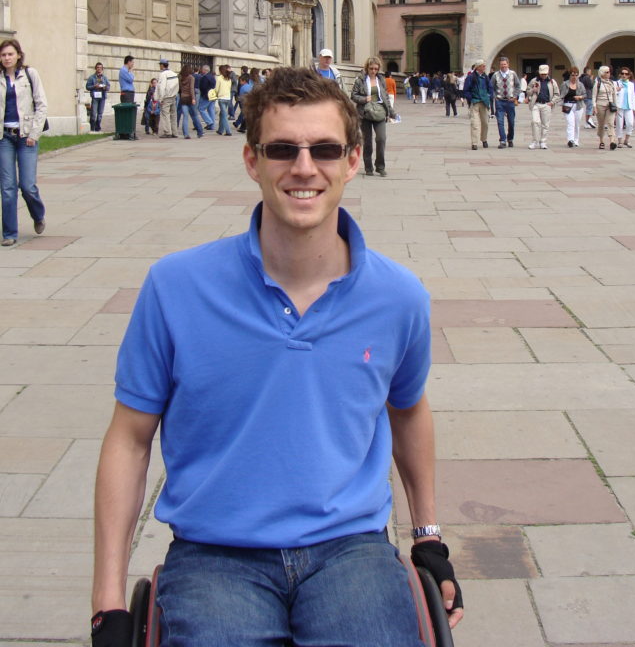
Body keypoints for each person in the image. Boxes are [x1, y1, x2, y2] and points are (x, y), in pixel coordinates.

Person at [91, 67, 462, 646]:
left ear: (353, 160)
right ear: (251, 160)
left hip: (350, 548)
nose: (305, 167)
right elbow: (130, 437)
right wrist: (108, 600)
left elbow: (409, 409)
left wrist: (429, 535)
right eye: (283, 149)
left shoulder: (399, 296)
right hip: (216, 552)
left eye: (325, 150)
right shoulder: (175, 286)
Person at [0, 38, 47, 246]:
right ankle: (9, 233)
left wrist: (34, 134)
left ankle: (38, 215)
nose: (7, 58)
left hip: (26, 136)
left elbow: (41, 104)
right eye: (3, 55)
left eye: (10, 54)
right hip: (4, 137)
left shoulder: (30, 74)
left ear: (18, 55)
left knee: (27, 186)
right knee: (7, 187)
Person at [351, 56, 396, 176]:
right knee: (367, 142)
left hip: (379, 112)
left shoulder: (381, 80)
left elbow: (385, 97)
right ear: (367, 68)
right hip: (365, 113)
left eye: (376, 69)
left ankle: (380, 166)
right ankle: (368, 167)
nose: (373, 71)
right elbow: (353, 96)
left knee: (381, 139)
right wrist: (365, 99)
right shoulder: (360, 79)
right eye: (371, 68)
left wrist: (391, 112)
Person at [526, 64, 559, 150]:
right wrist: (533, 90)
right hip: (536, 103)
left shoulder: (552, 82)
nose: (543, 76)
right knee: (535, 122)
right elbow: (527, 91)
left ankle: (543, 141)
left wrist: (552, 102)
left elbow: (557, 94)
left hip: (546, 104)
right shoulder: (534, 81)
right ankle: (534, 141)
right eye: (542, 74)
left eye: (545, 74)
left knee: (545, 124)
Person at [490, 56, 520, 147]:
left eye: (505, 64)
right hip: (500, 101)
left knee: (511, 122)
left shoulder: (513, 74)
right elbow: (491, 87)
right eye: (501, 64)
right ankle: (502, 140)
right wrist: (495, 96)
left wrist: (515, 96)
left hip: (510, 101)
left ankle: (510, 138)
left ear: (508, 64)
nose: (503, 66)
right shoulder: (495, 75)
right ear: (499, 65)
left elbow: (518, 86)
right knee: (500, 121)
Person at [464, 59, 492, 150]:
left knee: (485, 123)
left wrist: (489, 96)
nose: (484, 67)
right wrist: (471, 98)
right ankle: (474, 143)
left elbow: (490, 88)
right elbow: (466, 90)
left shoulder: (486, 77)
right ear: (478, 67)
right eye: (483, 66)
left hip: (484, 102)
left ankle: (484, 139)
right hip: (475, 102)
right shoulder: (471, 77)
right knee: (475, 123)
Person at [560, 68, 587, 147]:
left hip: (578, 106)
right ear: (570, 75)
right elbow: (561, 95)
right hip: (568, 105)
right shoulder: (565, 84)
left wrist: (580, 97)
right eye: (572, 75)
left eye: (576, 75)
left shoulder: (580, 84)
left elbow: (585, 95)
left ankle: (576, 140)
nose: (574, 77)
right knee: (570, 123)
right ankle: (570, 140)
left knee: (577, 124)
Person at [593, 65, 618, 150]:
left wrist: (616, 105)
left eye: (609, 72)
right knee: (601, 124)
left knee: (611, 123)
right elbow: (594, 96)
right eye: (607, 72)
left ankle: (612, 141)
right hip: (600, 104)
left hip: (610, 105)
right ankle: (601, 141)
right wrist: (594, 106)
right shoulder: (598, 83)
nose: (609, 73)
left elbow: (614, 95)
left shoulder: (612, 82)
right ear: (602, 73)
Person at [155, 59, 179, 138]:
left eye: (160, 65)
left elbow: (162, 87)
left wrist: (161, 98)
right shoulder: (174, 74)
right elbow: (177, 86)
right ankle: (174, 132)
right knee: (173, 115)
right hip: (173, 96)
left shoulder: (163, 74)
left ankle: (167, 132)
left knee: (165, 115)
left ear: (162, 65)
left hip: (166, 97)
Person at [178, 64, 204, 139]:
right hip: (190, 98)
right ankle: (200, 132)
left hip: (183, 98)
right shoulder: (191, 77)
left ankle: (186, 134)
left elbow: (180, 88)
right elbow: (191, 89)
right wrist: (193, 98)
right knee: (194, 115)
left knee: (185, 116)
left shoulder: (180, 78)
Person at [614, 67, 635, 148]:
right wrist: (616, 90)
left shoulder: (631, 84)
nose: (624, 75)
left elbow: (633, 96)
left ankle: (627, 140)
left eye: (626, 74)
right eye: (622, 73)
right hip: (619, 107)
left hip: (628, 106)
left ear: (629, 75)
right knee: (619, 124)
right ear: (620, 75)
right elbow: (613, 95)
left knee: (630, 123)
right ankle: (619, 141)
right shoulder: (616, 83)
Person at [86, 62, 110, 133]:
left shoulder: (104, 78)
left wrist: (105, 87)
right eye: (98, 67)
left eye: (100, 68)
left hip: (102, 97)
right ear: (95, 68)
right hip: (95, 97)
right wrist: (94, 86)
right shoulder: (92, 77)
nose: (99, 69)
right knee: (93, 113)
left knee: (100, 113)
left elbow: (108, 87)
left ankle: (98, 127)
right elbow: (87, 87)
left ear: (102, 69)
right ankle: (92, 128)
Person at [213, 64, 233, 136]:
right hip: (228, 98)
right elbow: (229, 88)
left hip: (221, 98)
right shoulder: (229, 78)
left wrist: (215, 94)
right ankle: (220, 130)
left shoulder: (219, 78)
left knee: (224, 115)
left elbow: (217, 88)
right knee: (222, 114)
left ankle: (228, 131)